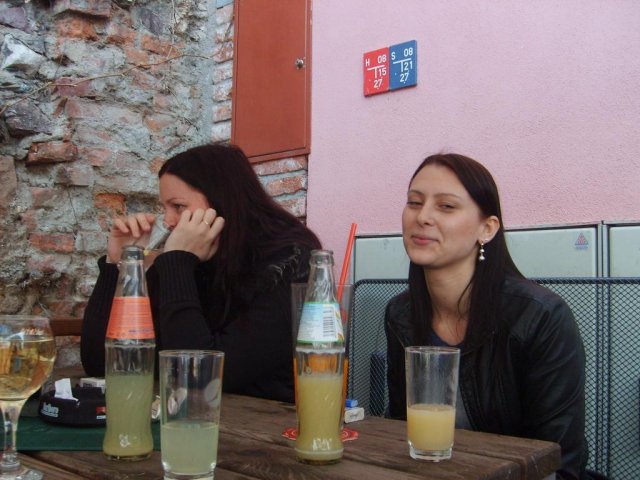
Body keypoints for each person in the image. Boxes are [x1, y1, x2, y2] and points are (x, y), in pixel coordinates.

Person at [385, 153, 589, 479]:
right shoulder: (401, 315)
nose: (422, 217)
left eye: (446, 206)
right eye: (414, 202)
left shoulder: (540, 317)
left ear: (487, 228)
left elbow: (560, 461)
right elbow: (400, 429)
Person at [81, 143, 321, 403]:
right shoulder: (184, 259)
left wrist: (178, 262)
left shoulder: (290, 258)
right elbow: (102, 365)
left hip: (265, 421)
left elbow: (199, 375)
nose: (168, 221)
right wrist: (118, 265)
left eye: (178, 206)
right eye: (165, 208)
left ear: (221, 201)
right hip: (184, 416)